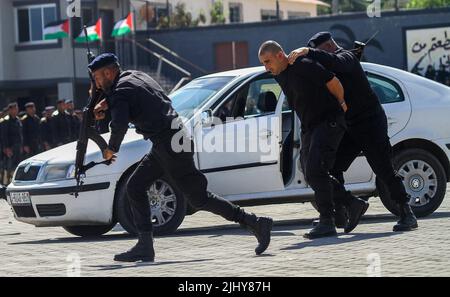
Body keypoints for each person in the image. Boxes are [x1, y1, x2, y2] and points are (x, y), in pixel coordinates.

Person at [89, 53, 273, 262]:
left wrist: (111, 148)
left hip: (170, 145)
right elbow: (130, 97)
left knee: (199, 198)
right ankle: (145, 246)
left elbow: (119, 124)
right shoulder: (134, 77)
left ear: (108, 72)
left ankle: (256, 223)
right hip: (170, 142)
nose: (96, 83)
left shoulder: (121, 91)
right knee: (135, 187)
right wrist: (106, 103)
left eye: (96, 78)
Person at [288, 31, 418, 232]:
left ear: (330, 46)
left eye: (319, 51)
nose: (317, 56)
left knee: (383, 167)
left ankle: (406, 212)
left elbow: (336, 62)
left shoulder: (346, 58)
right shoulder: (331, 64)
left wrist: (308, 52)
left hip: (370, 123)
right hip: (349, 127)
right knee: (331, 167)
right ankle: (340, 214)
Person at [258, 40, 356, 239]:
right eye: (263, 64)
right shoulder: (279, 75)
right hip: (310, 126)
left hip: (328, 120)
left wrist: (342, 103)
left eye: (268, 61)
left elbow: (333, 82)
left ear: (280, 55)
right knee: (309, 172)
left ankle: (327, 221)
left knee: (315, 169)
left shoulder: (303, 65)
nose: (266, 67)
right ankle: (352, 203)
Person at [1, 103, 23, 184]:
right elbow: (4, 136)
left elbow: (20, 134)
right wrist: (6, 148)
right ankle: (6, 184)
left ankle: (16, 182)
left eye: (17, 109)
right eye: (14, 109)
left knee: (17, 166)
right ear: (10, 110)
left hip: (18, 146)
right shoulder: (6, 121)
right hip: (10, 147)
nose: (16, 110)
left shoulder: (18, 120)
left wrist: (21, 146)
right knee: (8, 167)